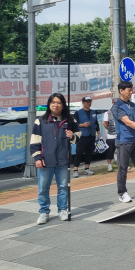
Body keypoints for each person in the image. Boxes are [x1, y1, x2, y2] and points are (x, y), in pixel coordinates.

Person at [30, 93, 80, 225]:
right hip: (46, 161)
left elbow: (79, 135)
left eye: (59, 102)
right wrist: (37, 158)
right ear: (49, 104)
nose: (56, 105)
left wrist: (72, 136)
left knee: (63, 187)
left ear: (63, 105)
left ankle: (62, 210)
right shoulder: (40, 121)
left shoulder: (70, 121)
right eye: (53, 102)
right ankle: (44, 212)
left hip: (63, 161)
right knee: (43, 188)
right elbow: (34, 141)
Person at [72, 96, 100, 177]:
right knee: (79, 152)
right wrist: (83, 125)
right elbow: (74, 124)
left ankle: (87, 169)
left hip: (92, 135)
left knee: (89, 152)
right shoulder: (78, 112)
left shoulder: (93, 112)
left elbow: (96, 123)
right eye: (87, 102)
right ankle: (75, 170)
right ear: (83, 103)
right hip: (82, 135)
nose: (89, 103)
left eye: (90, 101)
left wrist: (98, 133)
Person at [102, 98, 117, 172]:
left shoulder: (120, 112)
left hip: (119, 135)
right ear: (112, 103)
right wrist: (109, 129)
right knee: (110, 151)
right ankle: (109, 165)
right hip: (111, 136)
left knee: (122, 151)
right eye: (114, 103)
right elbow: (104, 123)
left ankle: (123, 164)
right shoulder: (108, 113)